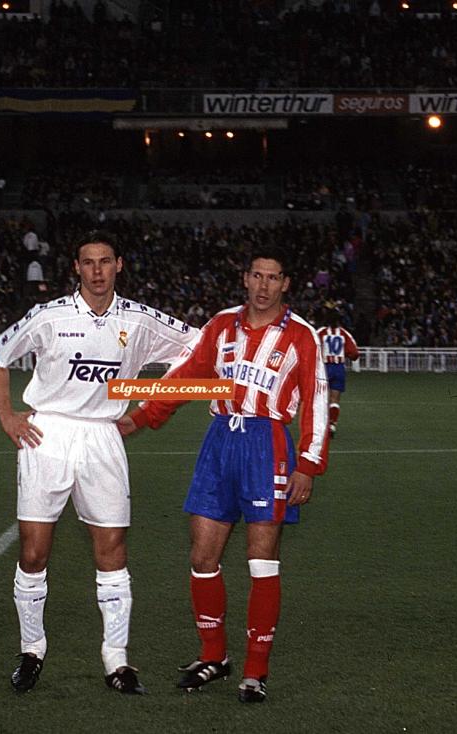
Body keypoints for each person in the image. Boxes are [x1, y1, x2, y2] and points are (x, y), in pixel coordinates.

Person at [0, 231, 199, 695]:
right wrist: (7, 415)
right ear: (76, 268)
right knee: (33, 552)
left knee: (112, 553)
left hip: (104, 436)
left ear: (119, 265)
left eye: (105, 261)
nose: (97, 270)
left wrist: (145, 406)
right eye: (88, 262)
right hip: (48, 433)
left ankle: (116, 660)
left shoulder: (140, 320)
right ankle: (31, 649)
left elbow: (198, 349)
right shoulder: (49, 314)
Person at [118, 246, 329, 704]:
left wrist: (308, 465)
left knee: (261, 560)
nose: (263, 285)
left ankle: (255, 670)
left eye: (273, 277)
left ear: (285, 284)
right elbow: (186, 376)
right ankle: (214, 656)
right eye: (257, 275)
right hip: (219, 442)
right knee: (202, 557)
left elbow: (314, 399)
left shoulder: (302, 336)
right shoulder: (220, 325)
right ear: (246, 278)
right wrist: (141, 416)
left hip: (267, 446)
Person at [316, 309, 360, 436]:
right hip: (338, 368)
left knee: (321, 398)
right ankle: (332, 424)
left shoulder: (321, 332)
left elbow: (311, 346)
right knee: (334, 399)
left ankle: (321, 425)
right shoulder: (344, 334)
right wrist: (345, 354)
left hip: (324, 369)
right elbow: (355, 353)